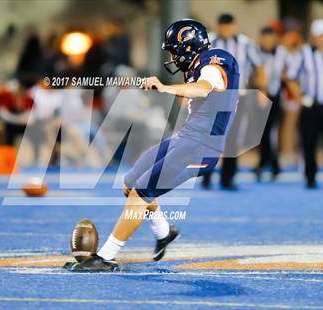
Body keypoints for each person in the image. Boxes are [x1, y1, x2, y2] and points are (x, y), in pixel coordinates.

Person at [68, 19, 239, 271]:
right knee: (130, 184)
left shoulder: (214, 61)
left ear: (187, 45)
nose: (172, 56)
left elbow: (202, 89)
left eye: (173, 49)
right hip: (187, 137)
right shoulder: (198, 65)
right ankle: (163, 231)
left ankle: (106, 257)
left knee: (142, 192)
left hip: (202, 146)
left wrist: (165, 87)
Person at [203, 13, 267, 189]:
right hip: (213, 95)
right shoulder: (210, 42)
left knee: (233, 136)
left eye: (228, 26)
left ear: (234, 26)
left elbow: (259, 67)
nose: (225, 29)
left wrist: (262, 90)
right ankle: (206, 175)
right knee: (211, 135)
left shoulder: (245, 44)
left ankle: (228, 177)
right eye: (223, 26)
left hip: (238, 96)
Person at [286, 19, 323, 189]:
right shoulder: (304, 53)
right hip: (311, 106)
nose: (322, 38)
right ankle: (310, 177)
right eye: (319, 35)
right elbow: (291, 78)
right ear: (313, 36)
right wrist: (301, 98)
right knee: (309, 143)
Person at [254, 26, 288, 181]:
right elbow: (250, 74)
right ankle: (269, 164)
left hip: (275, 96)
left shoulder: (282, 53)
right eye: (265, 38)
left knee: (271, 131)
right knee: (262, 132)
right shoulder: (254, 52)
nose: (268, 41)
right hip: (258, 96)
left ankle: (268, 164)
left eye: (271, 38)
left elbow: (288, 72)